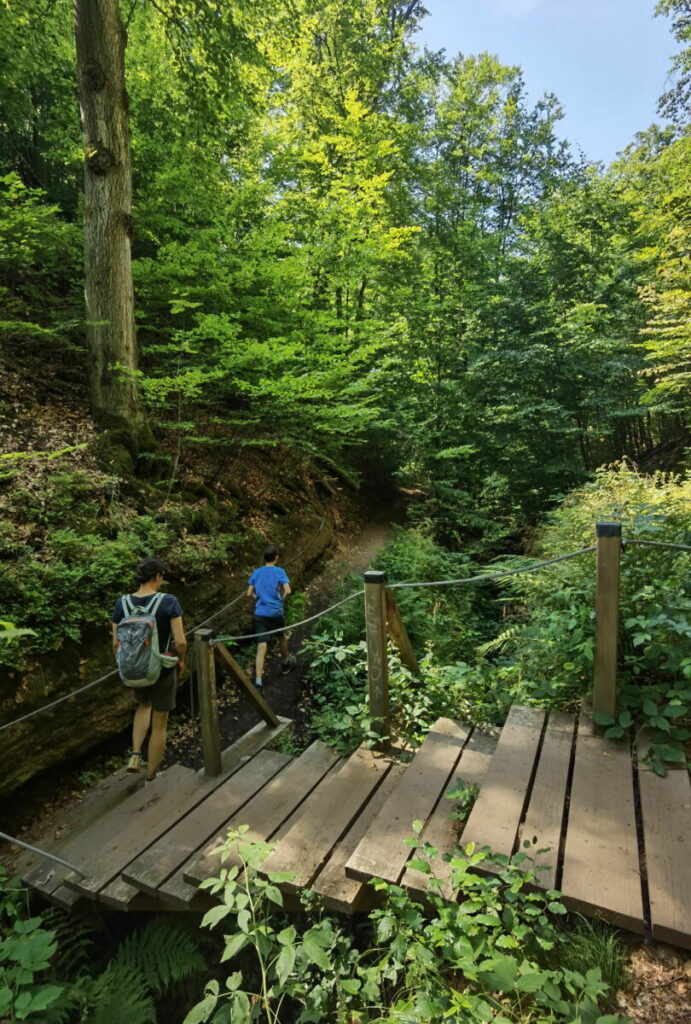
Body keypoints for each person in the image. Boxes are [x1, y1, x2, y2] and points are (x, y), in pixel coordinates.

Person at [111, 557, 186, 781]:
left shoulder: (121, 603)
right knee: (160, 723)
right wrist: (181, 660)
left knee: (143, 706)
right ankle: (151, 775)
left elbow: (116, 642)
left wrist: (126, 663)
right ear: (158, 577)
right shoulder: (168, 601)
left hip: (135, 668)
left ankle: (135, 755)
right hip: (161, 667)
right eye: (162, 577)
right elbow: (180, 641)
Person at [247, 545, 296, 689]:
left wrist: (258, 598)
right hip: (275, 612)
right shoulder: (279, 571)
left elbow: (249, 593)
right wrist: (280, 600)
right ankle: (285, 664)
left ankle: (258, 680)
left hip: (260, 613)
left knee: (262, 645)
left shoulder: (256, 572)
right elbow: (288, 590)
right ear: (276, 557)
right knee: (281, 636)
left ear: (264, 558)